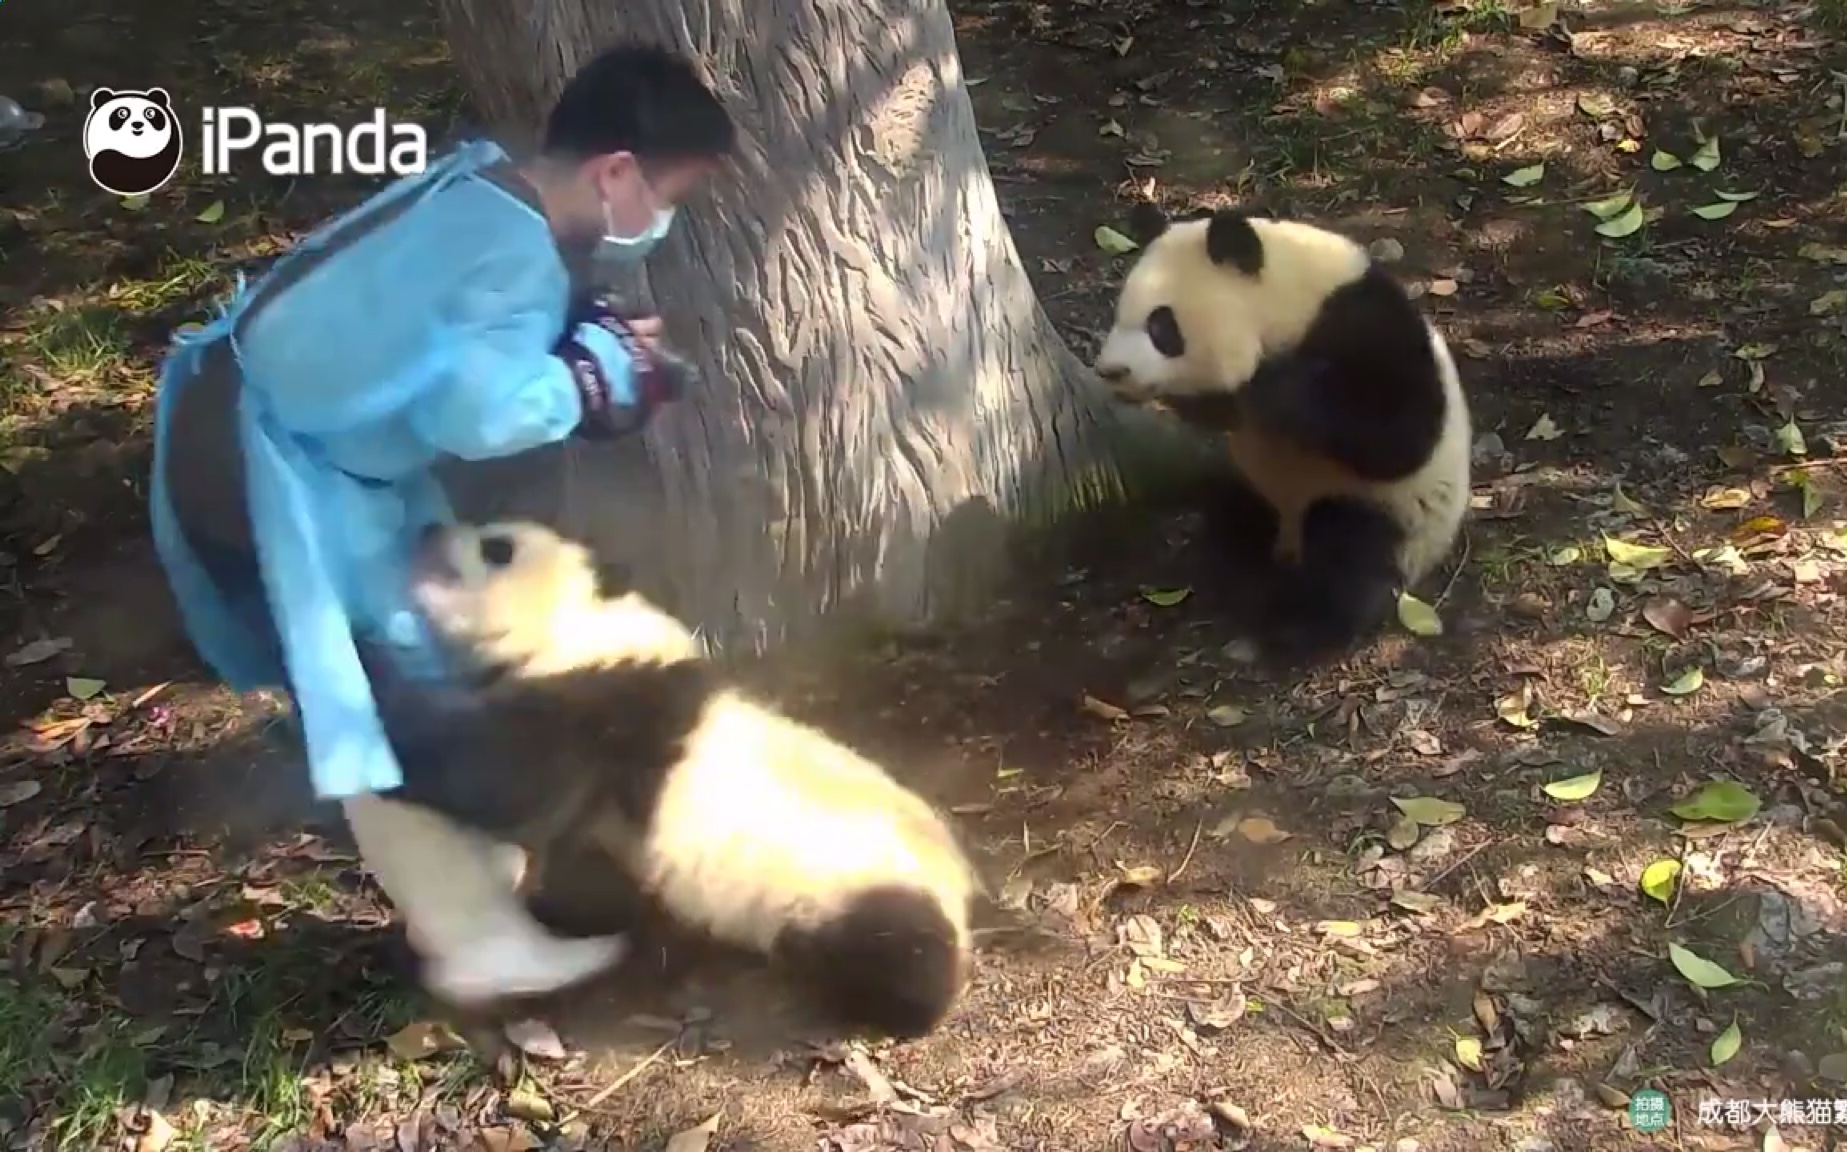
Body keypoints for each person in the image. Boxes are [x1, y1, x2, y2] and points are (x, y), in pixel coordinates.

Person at [150, 43, 735, 1006]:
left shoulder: (486, 184)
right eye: (670, 192)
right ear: (616, 172)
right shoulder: (510, 258)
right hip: (275, 474)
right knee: (384, 709)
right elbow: (477, 411)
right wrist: (592, 379)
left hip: (271, 432)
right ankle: (472, 938)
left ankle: (479, 885)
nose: (666, 219)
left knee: (433, 662)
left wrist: (568, 330)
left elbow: (428, 317)